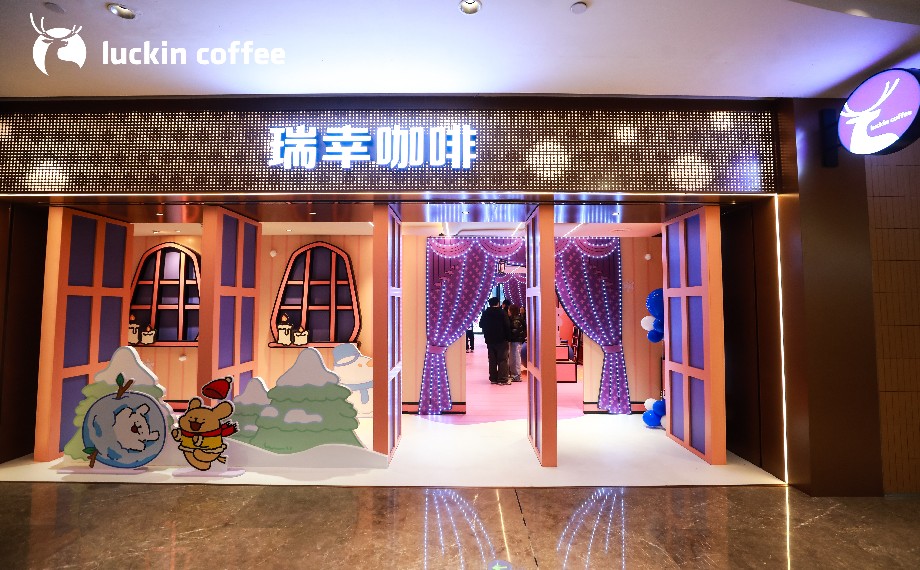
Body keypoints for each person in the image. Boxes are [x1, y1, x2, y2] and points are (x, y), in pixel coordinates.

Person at [479, 296, 511, 384]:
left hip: (489, 339)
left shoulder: (485, 313)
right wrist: (508, 337)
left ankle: (493, 378)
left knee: (492, 360)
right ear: (498, 303)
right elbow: (507, 325)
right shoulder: (502, 312)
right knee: (502, 359)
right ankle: (502, 379)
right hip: (502, 339)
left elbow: (481, 324)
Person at [508, 304, 526, 382]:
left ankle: (516, 375)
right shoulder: (517, 319)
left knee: (515, 358)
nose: (508, 311)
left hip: (515, 341)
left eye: (509, 310)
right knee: (514, 357)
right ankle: (515, 374)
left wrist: (508, 335)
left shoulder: (515, 320)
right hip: (516, 341)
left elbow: (515, 331)